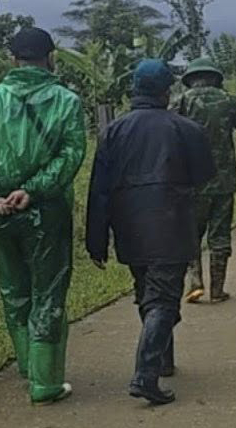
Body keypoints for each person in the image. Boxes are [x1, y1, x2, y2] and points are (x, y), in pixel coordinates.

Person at [0, 27, 87, 405]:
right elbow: (71, 154)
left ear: (12, 60)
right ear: (51, 58)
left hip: (0, 212)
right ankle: (45, 381)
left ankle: (29, 366)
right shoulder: (67, 101)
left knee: (14, 291)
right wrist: (32, 189)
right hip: (47, 211)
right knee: (47, 292)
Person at [86, 59, 216, 405]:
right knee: (162, 299)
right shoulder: (185, 129)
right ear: (166, 91)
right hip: (171, 223)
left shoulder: (113, 131)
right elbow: (205, 174)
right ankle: (145, 375)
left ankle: (163, 361)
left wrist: (96, 239)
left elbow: (97, 190)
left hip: (129, 226)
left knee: (147, 292)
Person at [174, 57, 236, 304]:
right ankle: (218, 288)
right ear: (215, 77)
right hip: (224, 179)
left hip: (192, 179)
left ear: (190, 79)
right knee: (220, 234)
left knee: (190, 233)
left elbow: (169, 128)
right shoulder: (229, 100)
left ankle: (195, 281)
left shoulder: (182, 101)